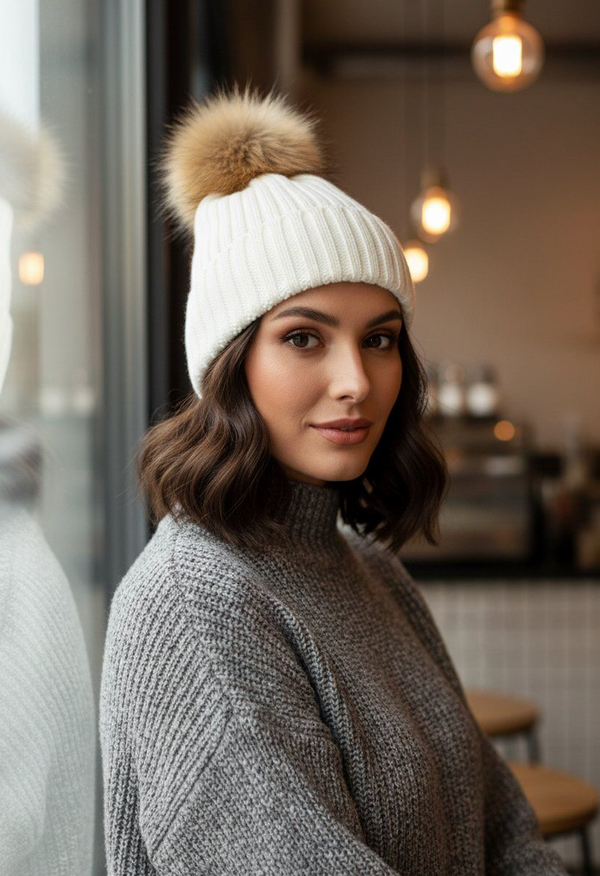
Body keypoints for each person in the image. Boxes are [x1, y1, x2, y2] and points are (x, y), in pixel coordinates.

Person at [99, 82, 568, 875]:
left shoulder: (369, 567)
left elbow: (504, 832)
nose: (357, 381)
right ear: (229, 366)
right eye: (304, 338)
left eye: (379, 339)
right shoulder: (193, 603)